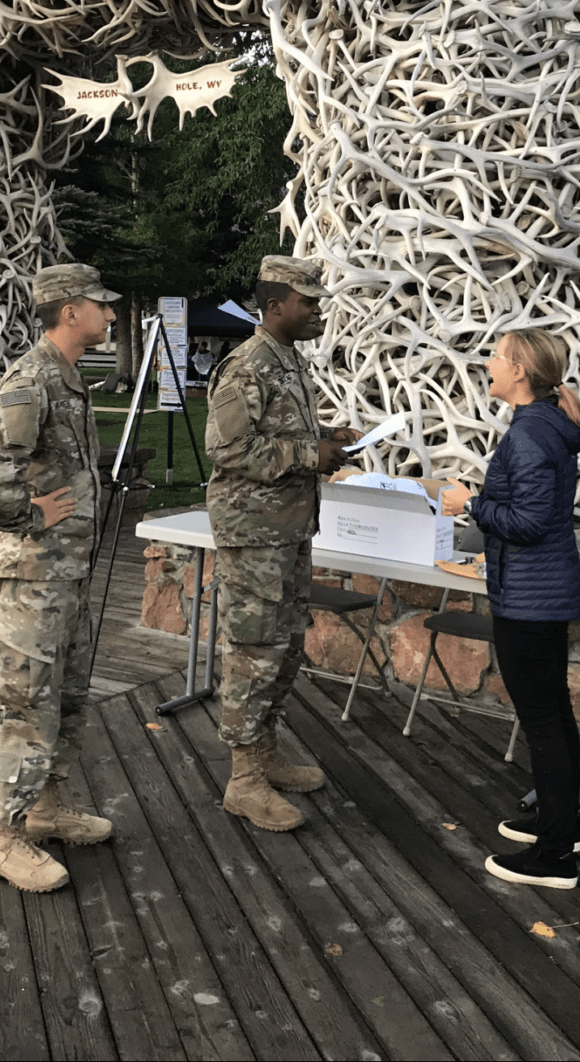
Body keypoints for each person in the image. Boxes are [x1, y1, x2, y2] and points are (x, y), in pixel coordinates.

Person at [205, 255, 362, 831]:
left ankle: (265, 752)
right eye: (308, 302)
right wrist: (306, 456)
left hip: (290, 530)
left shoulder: (289, 362)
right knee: (252, 651)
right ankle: (243, 780)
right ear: (275, 306)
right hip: (254, 537)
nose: (318, 310)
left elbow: (278, 434)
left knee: (285, 647)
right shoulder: (246, 366)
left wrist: (327, 437)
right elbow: (225, 451)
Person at [0, 263, 121, 893]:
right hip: (35, 576)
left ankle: (42, 809)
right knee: (22, 705)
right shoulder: (32, 379)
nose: (111, 315)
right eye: (101, 305)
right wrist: (25, 513)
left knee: (65, 697)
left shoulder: (68, 380)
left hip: (67, 577)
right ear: (70, 311)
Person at [443, 327, 580, 889]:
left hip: (530, 598)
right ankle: (561, 825)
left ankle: (554, 856)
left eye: (496, 356)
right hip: (539, 592)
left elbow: (526, 524)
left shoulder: (530, 435)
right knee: (551, 715)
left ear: (521, 372)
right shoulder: (545, 427)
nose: (487, 363)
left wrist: (470, 503)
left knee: (544, 721)